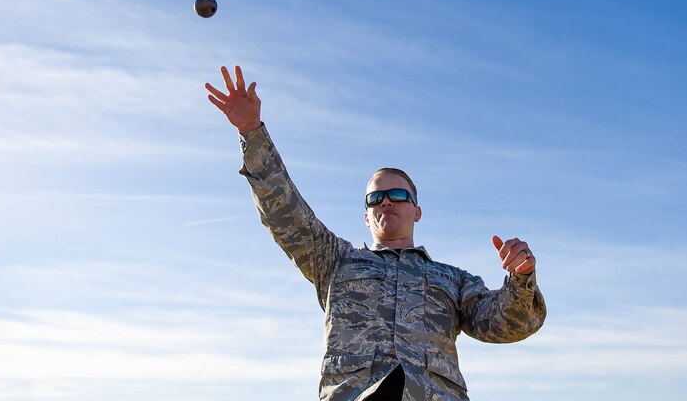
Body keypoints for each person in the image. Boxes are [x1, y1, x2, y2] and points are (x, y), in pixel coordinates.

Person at [206, 65, 546, 401]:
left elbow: (505, 325)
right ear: (366, 216)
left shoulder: (453, 280)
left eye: (398, 195)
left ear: (417, 211)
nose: (386, 202)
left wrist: (521, 277)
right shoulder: (336, 261)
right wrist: (251, 130)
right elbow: (285, 211)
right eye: (375, 198)